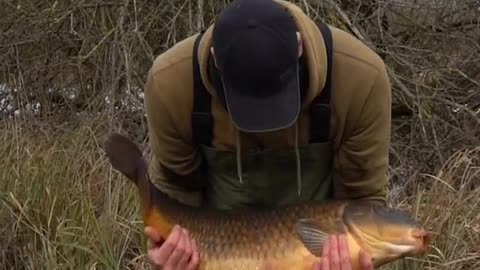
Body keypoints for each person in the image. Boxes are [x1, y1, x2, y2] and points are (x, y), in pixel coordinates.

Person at [142, 0, 392, 269]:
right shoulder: (171, 84)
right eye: (248, 106)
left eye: (275, 102)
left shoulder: (361, 80)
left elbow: (363, 199)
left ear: (299, 46)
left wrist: (352, 258)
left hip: (317, 252)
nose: (265, 124)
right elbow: (175, 190)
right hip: (218, 253)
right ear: (216, 58)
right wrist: (167, 251)